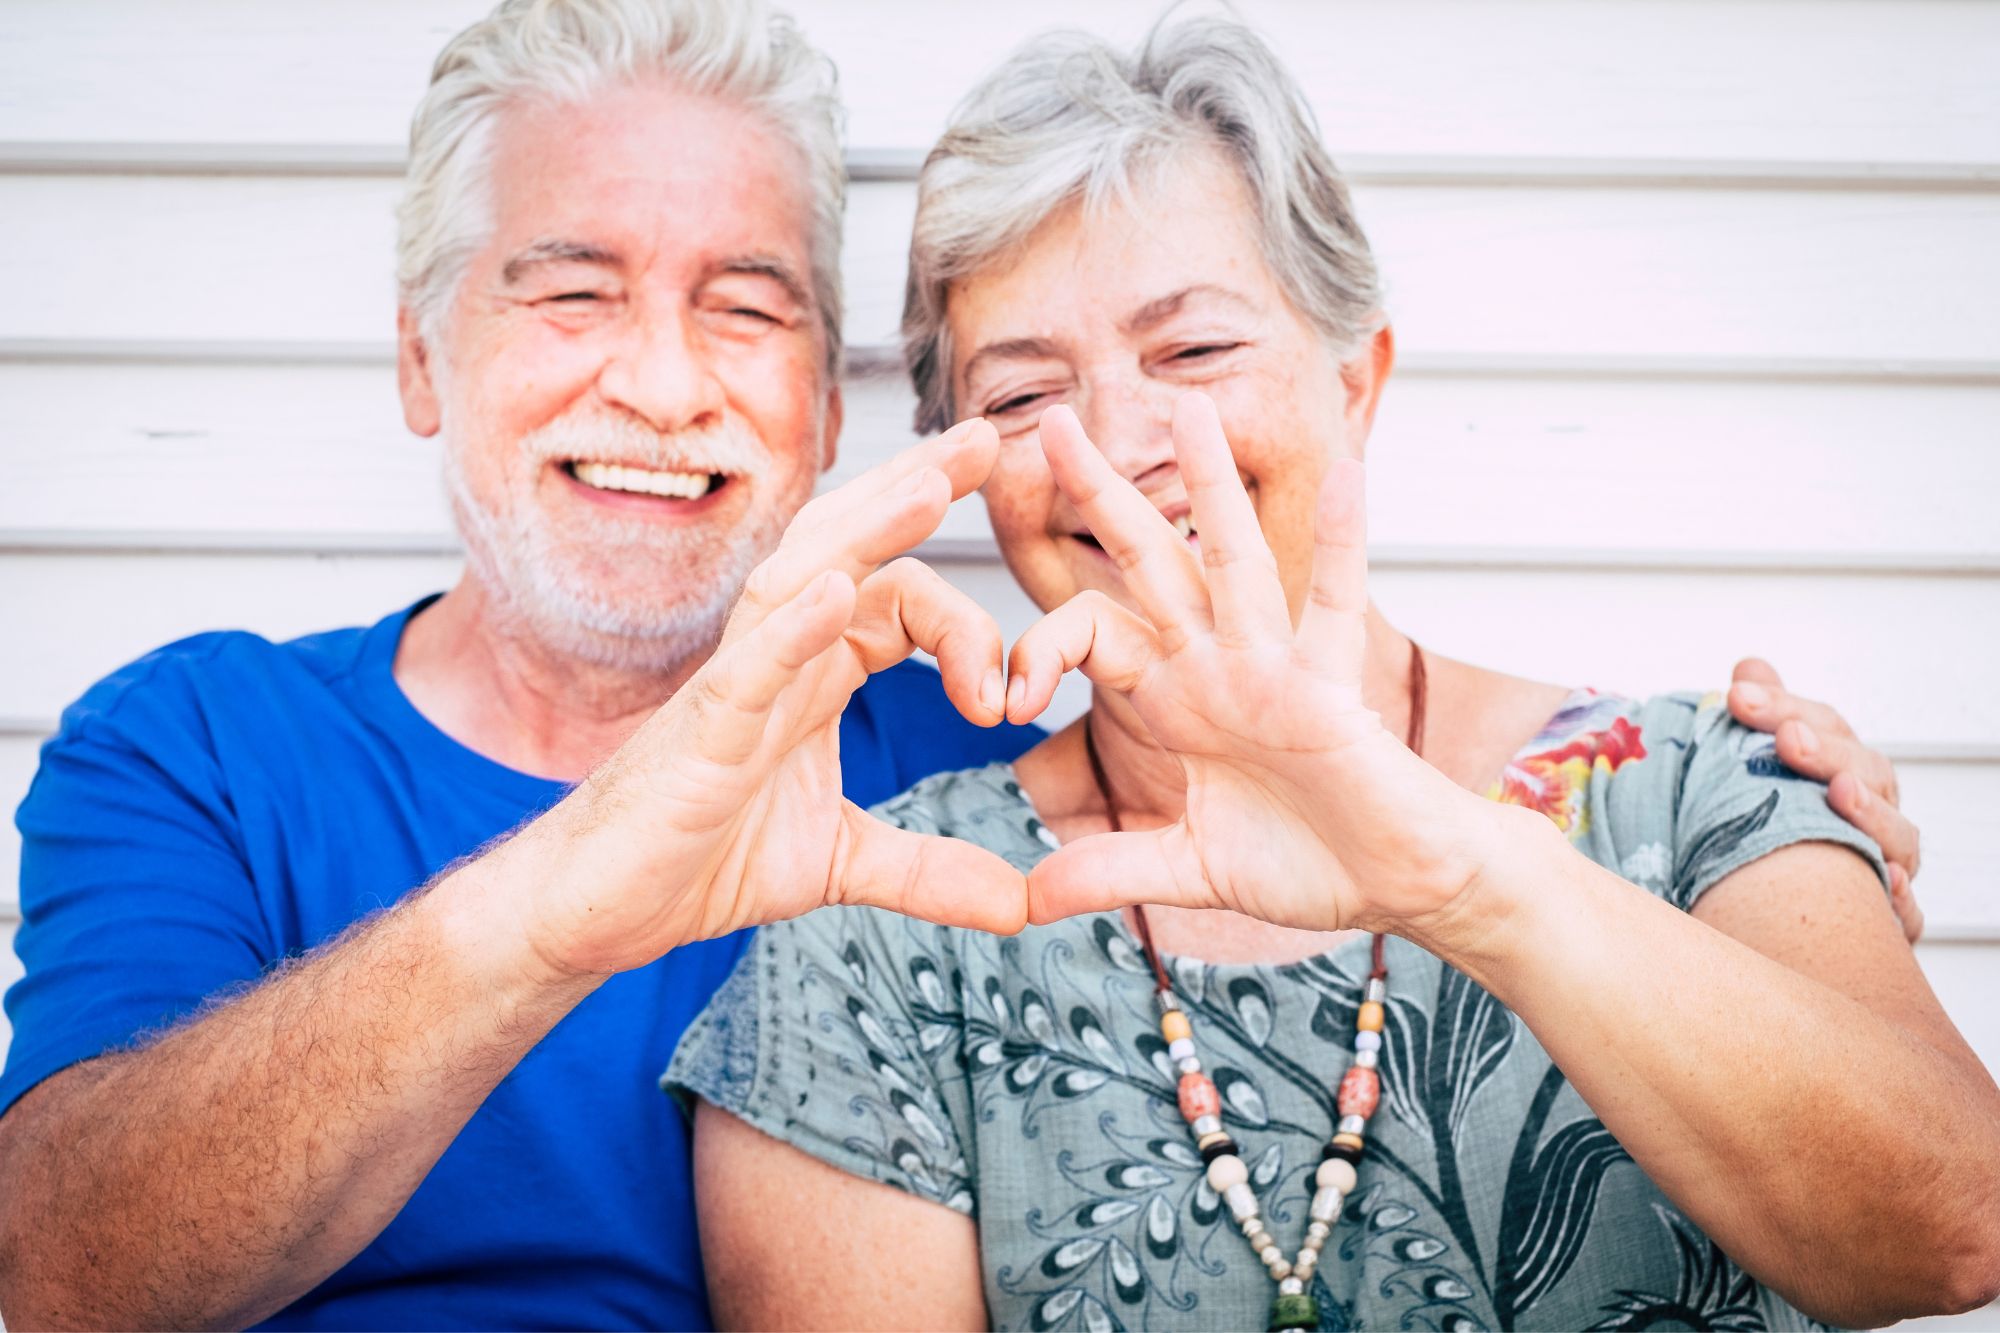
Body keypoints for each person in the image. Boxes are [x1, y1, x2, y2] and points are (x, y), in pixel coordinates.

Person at [0, 1, 1926, 1329]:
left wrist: (1762, 825)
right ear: (423, 356)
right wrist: (565, 898)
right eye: (568, 288)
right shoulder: (202, 747)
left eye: (743, 306)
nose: (661, 381)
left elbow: (1923, 1191)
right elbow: (61, 1276)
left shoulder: (985, 767)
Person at [669, 16, 2000, 1331]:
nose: (1119, 444)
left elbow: (1955, 1229)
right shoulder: (888, 924)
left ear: (1355, 379)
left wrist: (1455, 871)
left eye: (1191, 351)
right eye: (1024, 396)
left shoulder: (1707, 778)